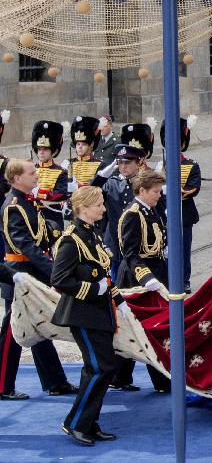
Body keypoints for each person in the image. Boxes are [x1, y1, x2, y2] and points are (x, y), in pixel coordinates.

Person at [51, 186, 127, 446]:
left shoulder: (91, 234)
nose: (103, 209)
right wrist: (95, 289)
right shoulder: (72, 240)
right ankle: (75, 423)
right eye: (99, 205)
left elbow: (104, 274)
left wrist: (120, 301)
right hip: (82, 314)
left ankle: (89, 422)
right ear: (83, 208)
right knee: (98, 368)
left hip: (100, 312)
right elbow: (59, 279)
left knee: (105, 369)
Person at [0, 159, 77, 400]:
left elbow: (42, 233)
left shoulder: (28, 202)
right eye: (32, 173)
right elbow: (25, 244)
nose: (37, 176)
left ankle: (54, 381)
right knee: (13, 332)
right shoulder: (14, 206)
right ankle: (2, 385)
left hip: (34, 272)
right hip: (19, 274)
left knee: (40, 326)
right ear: (16, 178)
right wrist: (55, 270)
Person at [116, 169, 171, 393]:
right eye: (155, 191)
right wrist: (147, 278)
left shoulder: (151, 210)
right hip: (137, 278)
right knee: (145, 328)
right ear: (142, 191)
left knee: (150, 327)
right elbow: (130, 253)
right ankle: (156, 380)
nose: (159, 195)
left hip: (156, 270)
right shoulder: (132, 214)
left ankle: (122, 376)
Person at [90, 144, 146, 300]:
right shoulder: (112, 183)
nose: (123, 166)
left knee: (137, 284)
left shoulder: (145, 184)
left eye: (127, 162)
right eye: (120, 163)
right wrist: (104, 173)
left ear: (138, 162)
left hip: (137, 241)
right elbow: (91, 191)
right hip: (114, 240)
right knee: (115, 284)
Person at [159, 116, 201, 292]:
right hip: (164, 213)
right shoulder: (161, 165)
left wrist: (175, 190)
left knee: (183, 249)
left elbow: (193, 188)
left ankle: (184, 279)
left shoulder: (191, 165)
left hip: (184, 213)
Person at [32, 120, 69, 230]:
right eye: (39, 149)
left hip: (52, 215)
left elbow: (61, 194)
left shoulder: (61, 171)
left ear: (53, 151)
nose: (41, 152)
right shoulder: (31, 169)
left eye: (45, 149)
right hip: (33, 215)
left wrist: (41, 194)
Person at [64, 116, 103, 194]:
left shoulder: (99, 165)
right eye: (78, 144)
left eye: (84, 144)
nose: (80, 147)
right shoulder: (67, 163)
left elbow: (99, 189)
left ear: (91, 145)